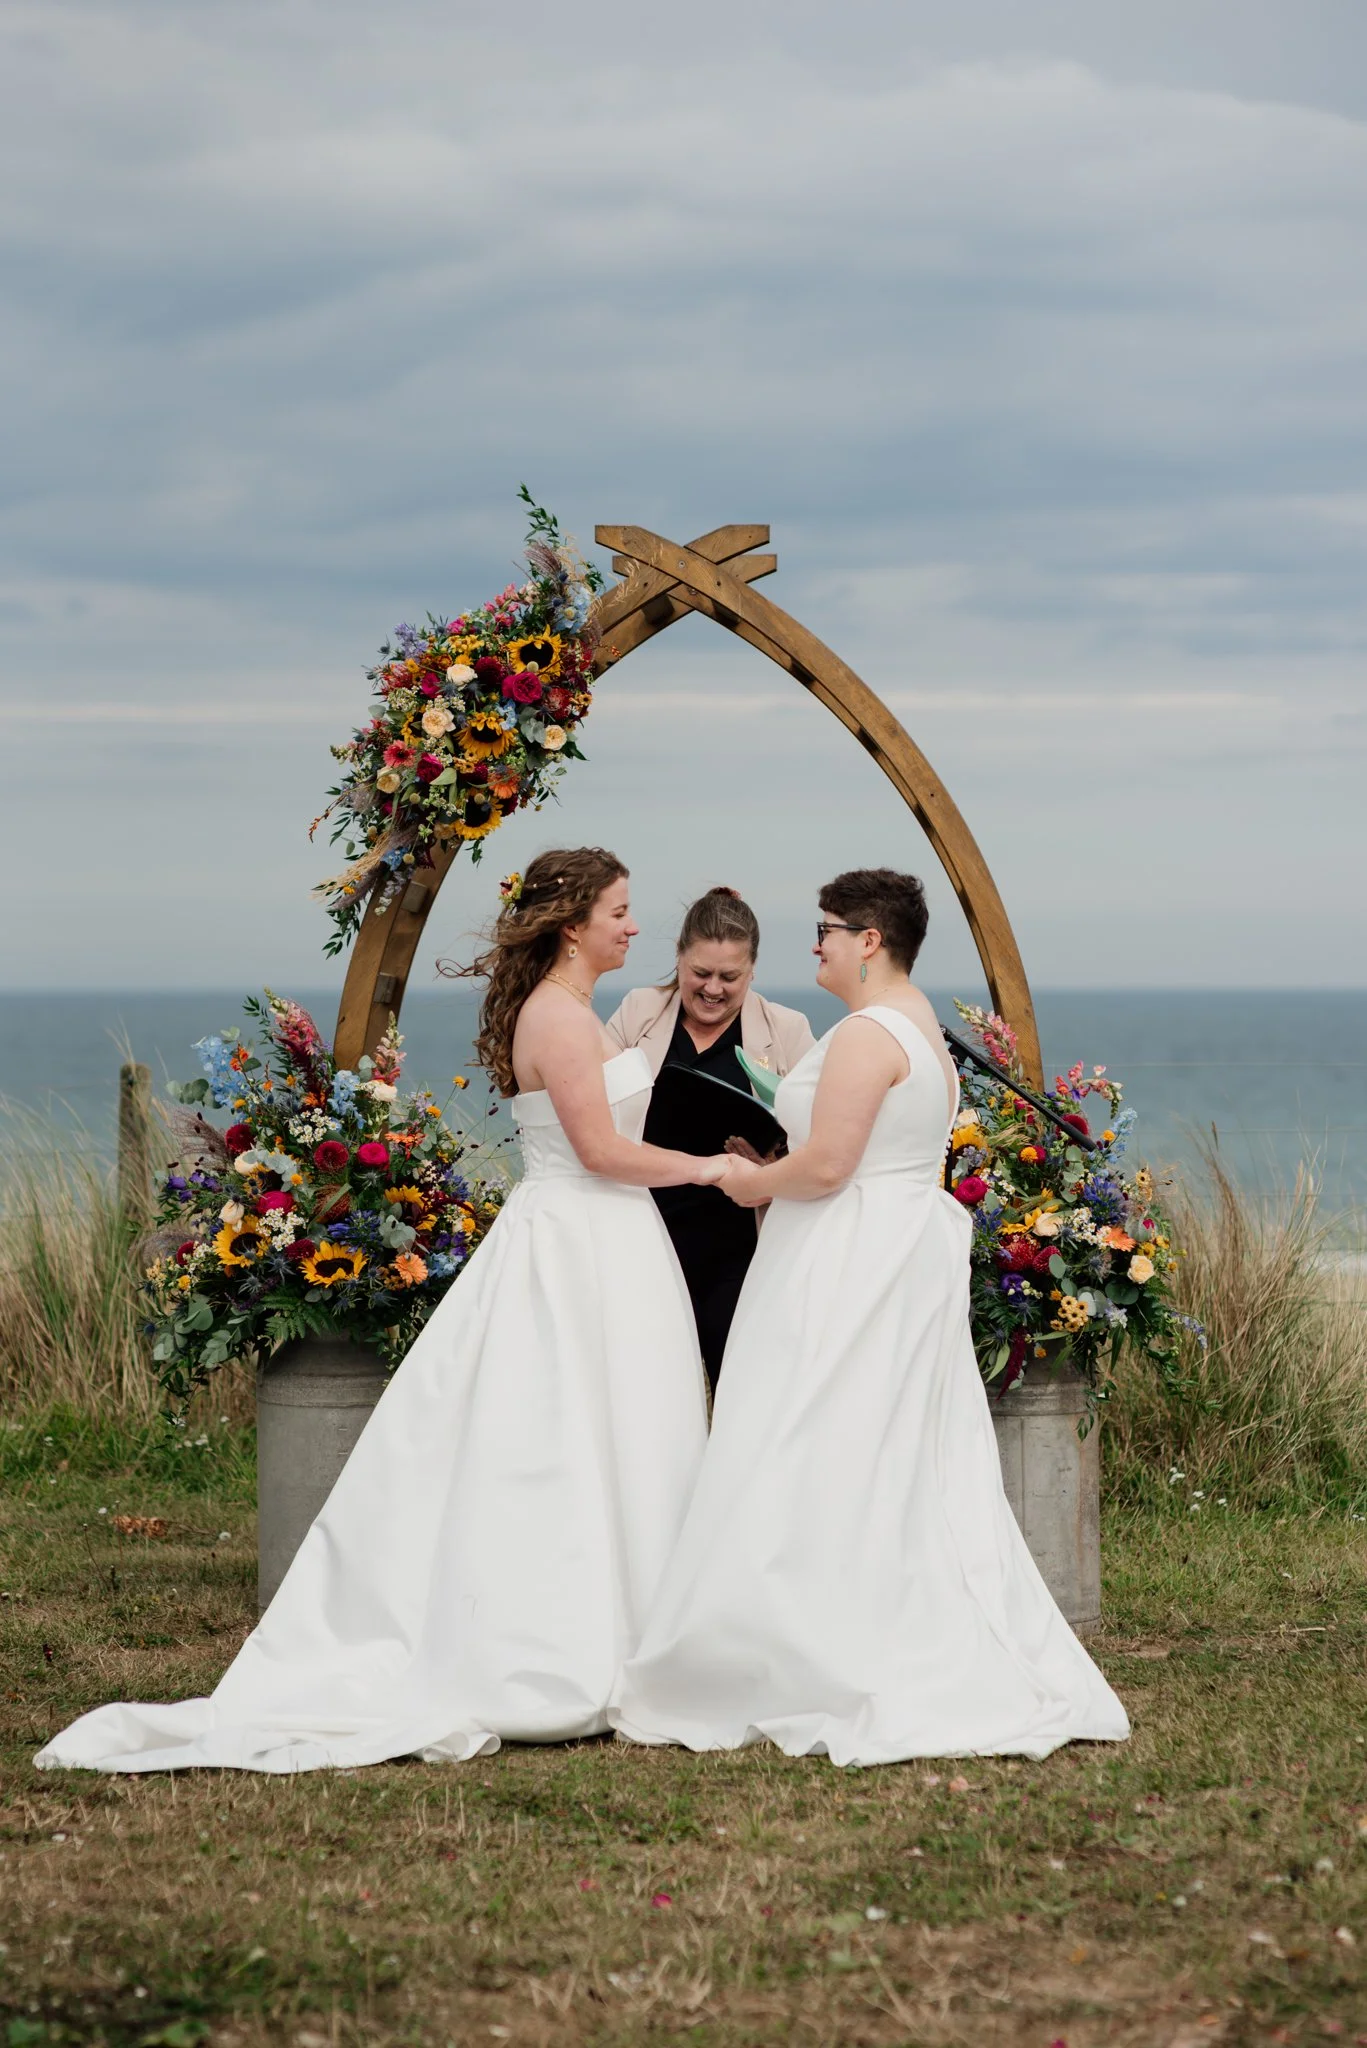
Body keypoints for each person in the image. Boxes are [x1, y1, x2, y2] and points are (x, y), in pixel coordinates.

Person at [37, 849, 726, 1775]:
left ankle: (637, 1623)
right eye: (620, 910)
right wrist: (713, 1169)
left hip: (613, 1244)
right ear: (573, 924)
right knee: (562, 1432)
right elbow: (599, 1151)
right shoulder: (557, 1020)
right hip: (578, 1241)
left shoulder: (582, 1012)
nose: (633, 927)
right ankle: (558, 1636)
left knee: (624, 1429)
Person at [610, 867, 1130, 1765]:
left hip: (844, 1262)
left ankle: (804, 1641)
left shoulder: (862, 1035)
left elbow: (824, 1168)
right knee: (869, 1446)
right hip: (887, 1254)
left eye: (825, 929)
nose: (813, 943)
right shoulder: (919, 1024)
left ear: (868, 940)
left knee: (806, 1437)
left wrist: (745, 1180)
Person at [606, 886, 814, 1395]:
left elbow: (823, 1139)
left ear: (753, 971)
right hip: (644, 1233)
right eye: (700, 973)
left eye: (730, 977)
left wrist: (772, 1166)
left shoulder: (788, 1030)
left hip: (738, 1248)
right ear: (678, 956)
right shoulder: (638, 1012)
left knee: (743, 1392)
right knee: (644, 1396)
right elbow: (592, 1109)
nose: (713, 989)